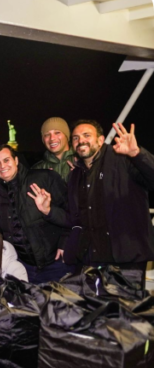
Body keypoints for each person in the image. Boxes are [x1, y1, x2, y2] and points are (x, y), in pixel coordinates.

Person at [56, 121, 154, 286]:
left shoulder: (122, 158)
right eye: (75, 138)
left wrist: (137, 154)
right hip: (90, 261)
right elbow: (76, 217)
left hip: (126, 260)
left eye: (87, 135)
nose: (81, 140)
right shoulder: (75, 175)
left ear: (100, 140)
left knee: (126, 303)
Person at [0, 144, 71, 284]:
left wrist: (64, 241)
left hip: (56, 262)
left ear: (16, 160)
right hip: (23, 267)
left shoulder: (44, 178)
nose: (2, 166)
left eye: (6, 160)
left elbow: (71, 214)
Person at [31, 117, 77, 182]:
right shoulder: (37, 170)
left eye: (57, 132)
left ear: (67, 136)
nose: (52, 138)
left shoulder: (83, 162)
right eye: (47, 135)